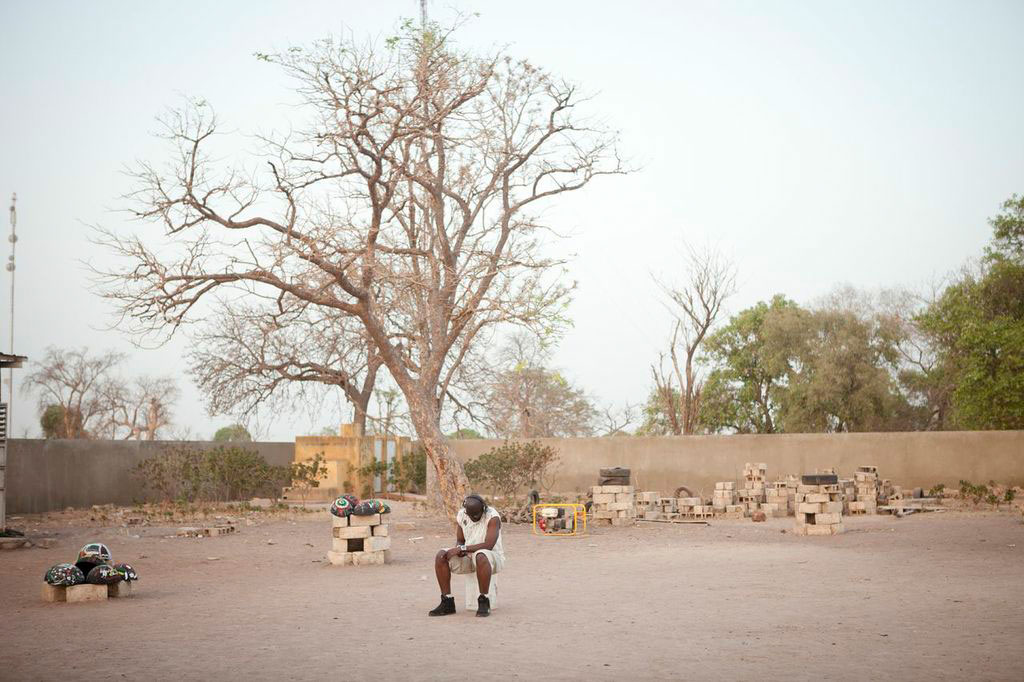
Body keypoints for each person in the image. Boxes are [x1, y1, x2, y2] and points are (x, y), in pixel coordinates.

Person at [428, 493, 505, 617]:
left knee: (481, 555)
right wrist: (459, 549)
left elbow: (488, 545)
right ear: (466, 512)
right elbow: (460, 540)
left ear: (484, 508)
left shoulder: (492, 517)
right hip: (469, 557)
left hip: (492, 558)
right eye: (472, 515)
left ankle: (483, 600)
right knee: (441, 555)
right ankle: (447, 601)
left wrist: (462, 549)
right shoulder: (462, 515)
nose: (475, 517)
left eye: (477, 514)